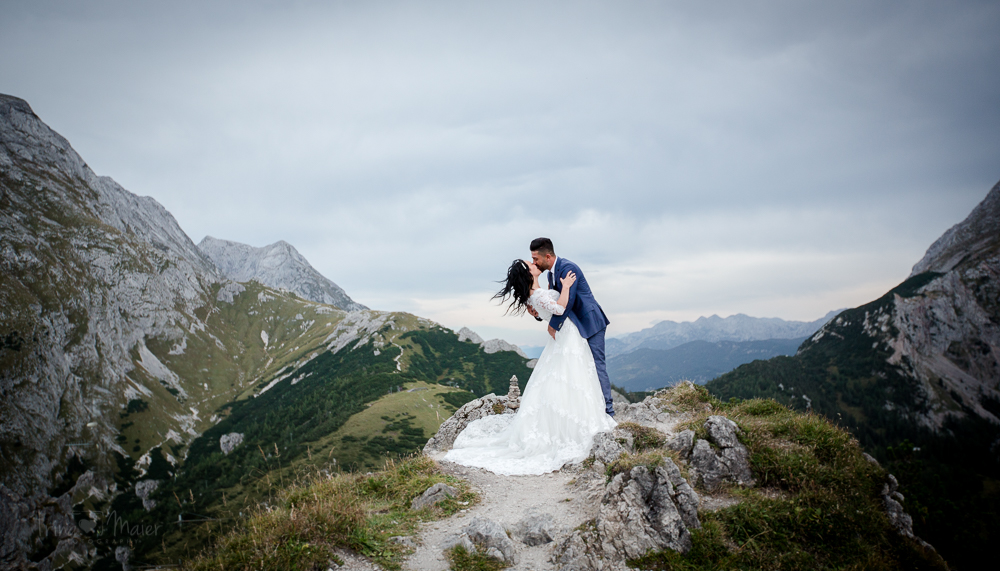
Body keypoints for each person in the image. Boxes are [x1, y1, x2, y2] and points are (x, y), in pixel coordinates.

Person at [442, 259, 617, 475]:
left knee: (566, 378)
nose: (534, 264)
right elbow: (561, 309)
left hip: (566, 336)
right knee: (572, 376)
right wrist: (568, 288)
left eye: (534, 260)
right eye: (531, 264)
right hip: (567, 336)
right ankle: (581, 421)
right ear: (528, 274)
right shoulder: (537, 294)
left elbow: (547, 309)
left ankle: (573, 419)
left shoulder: (536, 293)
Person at [529, 237, 615, 417]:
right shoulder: (551, 274)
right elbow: (554, 303)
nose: (534, 262)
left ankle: (608, 410)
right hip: (575, 326)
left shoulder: (568, 268)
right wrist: (539, 315)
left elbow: (569, 301)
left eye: (536, 259)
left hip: (590, 322)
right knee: (582, 366)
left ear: (548, 256)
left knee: (596, 364)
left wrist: (553, 326)